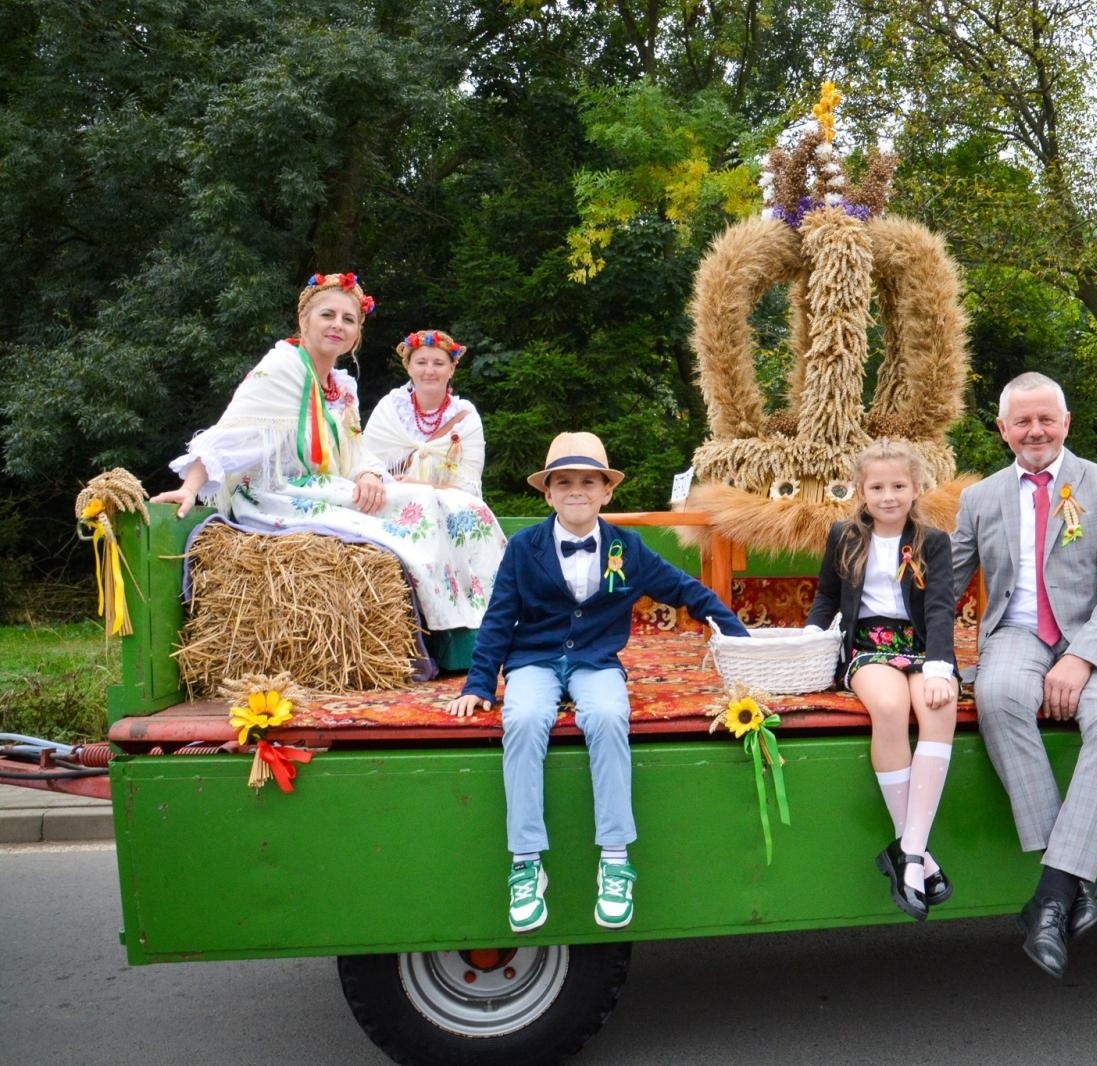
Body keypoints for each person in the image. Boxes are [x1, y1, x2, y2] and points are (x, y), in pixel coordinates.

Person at [445, 432, 749, 933]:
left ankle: (615, 858)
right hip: (535, 659)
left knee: (609, 717)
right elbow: (499, 618)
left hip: (595, 661)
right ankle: (526, 862)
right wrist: (478, 684)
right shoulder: (523, 548)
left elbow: (685, 590)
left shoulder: (627, 547)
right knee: (522, 719)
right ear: (548, 493)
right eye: (564, 482)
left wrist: (740, 639)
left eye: (588, 482)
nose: (576, 491)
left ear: (607, 492)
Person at [151, 276, 505, 632]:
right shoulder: (281, 368)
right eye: (327, 315)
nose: (338, 325)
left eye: (348, 319)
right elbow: (229, 434)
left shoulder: (342, 387)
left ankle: (482, 618)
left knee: (454, 505)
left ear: (357, 333)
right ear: (304, 319)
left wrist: (368, 474)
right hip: (278, 492)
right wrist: (190, 487)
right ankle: (448, 625)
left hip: (324, 486)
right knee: (420, 503)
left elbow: (356, 450)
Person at [950, 371, 1097, 979]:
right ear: (1003, 429)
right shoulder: (980, 498)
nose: (1035, 430)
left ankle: (1052, 894)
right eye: (1023, 421)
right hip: (1017, 632)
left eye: (1046, 419)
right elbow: (944, 584)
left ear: (1066, 423)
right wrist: (879, 629)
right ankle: (1073, 881)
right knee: (997, 694)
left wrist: (1081, 657)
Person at [804, 439, 958, 921]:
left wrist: (939, 666)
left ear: (916, 488)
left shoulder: (933, 541)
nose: (888, 496)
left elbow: (940, 607)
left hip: (920, 644)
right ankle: (916, 853)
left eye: (898, 486)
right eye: (877, 487)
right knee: (890, 708)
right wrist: (810, 638)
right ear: (861, 491)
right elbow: (827, 596)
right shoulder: (844, 535)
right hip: (869, 644)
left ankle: (908, 850)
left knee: (938, 705)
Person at [364, 330, 486, 496]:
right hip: (389, 503)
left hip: (446, 508)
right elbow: (365, 465)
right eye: (421, 363)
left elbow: (470, 488)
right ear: (409, 367)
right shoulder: (390, 408)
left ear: (451, 369)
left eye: (438, 363)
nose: (429, 371)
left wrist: (421, 487)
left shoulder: (466, 418)